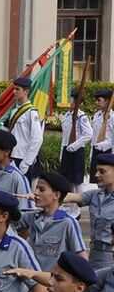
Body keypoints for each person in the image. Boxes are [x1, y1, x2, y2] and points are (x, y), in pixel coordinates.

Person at [10, 172, 87, 272]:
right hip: (32, 281)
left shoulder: (68, 222)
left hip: (53, 282)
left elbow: (81, 257)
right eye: (36, 188)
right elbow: (8, 220)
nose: (36, 193)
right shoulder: (32, 217)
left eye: (42, 189)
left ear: (56, 195)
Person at [60, 153, 114, 269]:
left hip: (110, 257)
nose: (96, 175)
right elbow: (72, 197)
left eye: (102, 171)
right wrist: (47, 194)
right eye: (96, 171)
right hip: (94, 255)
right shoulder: (96, 194)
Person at [56, 89, 93, 218]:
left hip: (77, 152)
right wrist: (63, 151)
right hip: (67, 150)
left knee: (77, 181)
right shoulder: (67, 115)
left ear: (77, 101)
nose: (69, 102)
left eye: (71, 99)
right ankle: (72, 207)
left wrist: (75, 145)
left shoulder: (81, 116)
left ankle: (77, 208)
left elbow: (89, 134)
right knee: (68, 180)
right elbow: (65, 137)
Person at [4, 76, 44, 179]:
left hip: (22, 157)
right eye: (14, 89)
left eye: (17, 89)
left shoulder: (32, 112)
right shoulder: (13, 112)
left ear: (26, 91)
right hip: (11, 155)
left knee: (23, 192)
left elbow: (37, 139)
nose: (14, 91)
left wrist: (27, 162)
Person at [91, 88, 113, 185]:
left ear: (107, 101)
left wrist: (103, 145)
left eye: (99, 100)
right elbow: (94, 135)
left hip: (108, 152)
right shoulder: (97, 115)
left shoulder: (112, 117)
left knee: (107, 180)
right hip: (96, 150)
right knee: (97, 179)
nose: (96, 102)